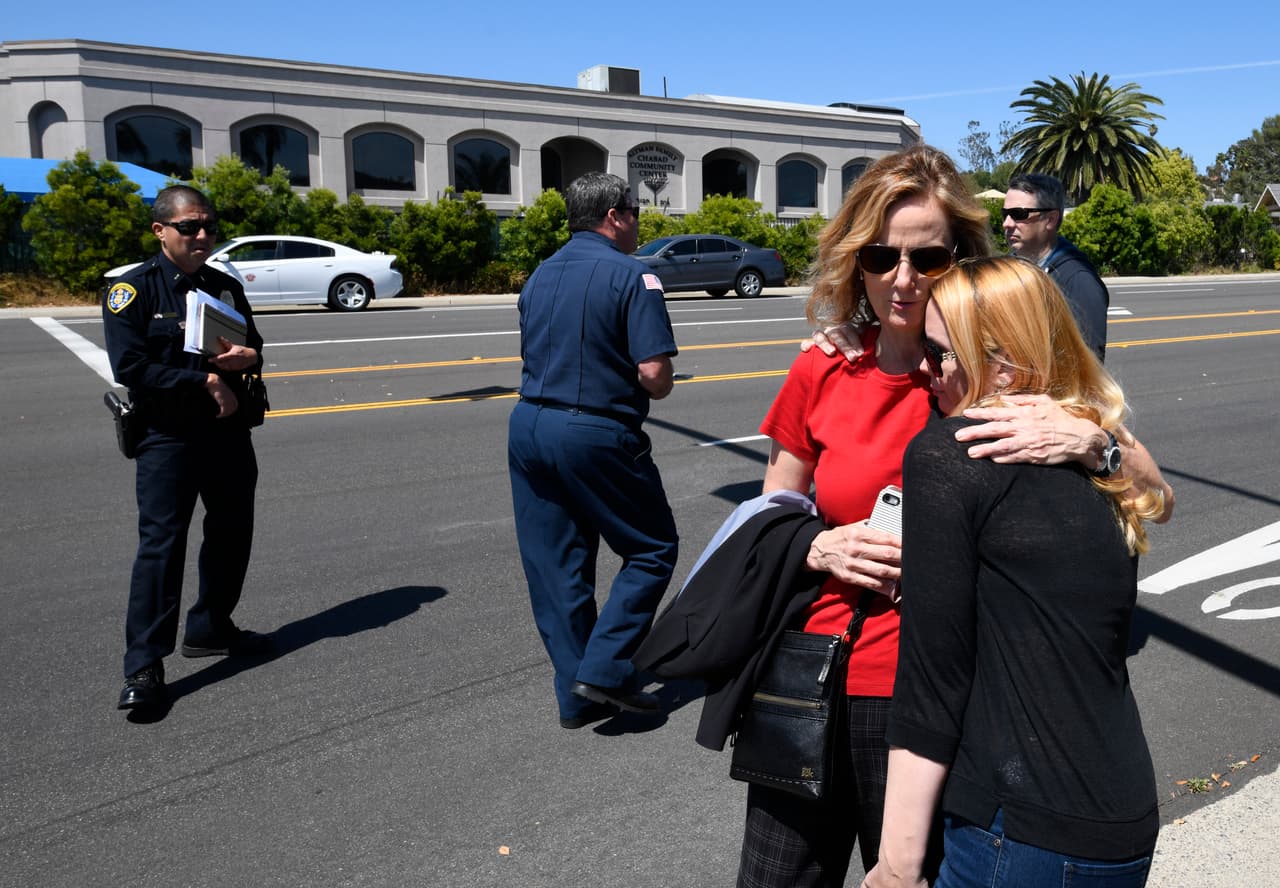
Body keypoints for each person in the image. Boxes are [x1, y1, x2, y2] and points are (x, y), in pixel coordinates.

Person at [738, 147, 1173, 888]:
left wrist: (1093, 441)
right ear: (857, 260)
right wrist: (819, 546)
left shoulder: (995, 378)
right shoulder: (825, 366)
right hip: (815, 670)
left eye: (928, 257)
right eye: (880, 256)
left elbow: (1152, 491)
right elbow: (769, 514)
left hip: (930, 709)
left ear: (960, 261)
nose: (902, 280)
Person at [864, 255, 1167, 888]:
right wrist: (1096, 441)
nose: (925, 369)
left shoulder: (953, 454)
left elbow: (932, 677)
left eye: (940, 353)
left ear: (1002, 364)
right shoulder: (1096, 450)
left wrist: (895, 865)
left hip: (1018, 831)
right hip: (1123, 814)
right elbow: (1161, 498)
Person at [507, 172, 679, 730]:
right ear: (614, 216)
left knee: (558, 566)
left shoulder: (540, 274)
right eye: (634, 210)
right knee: (652, 548)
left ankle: (577, 696)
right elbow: (654, 374)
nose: (637, 221)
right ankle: (605, 670)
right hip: (594, 430)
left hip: (529, 425)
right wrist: (658, 380)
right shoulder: (635, 276)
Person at [103, 184, 271, 713]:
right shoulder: (132, 291)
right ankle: (145, 666)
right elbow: (130, 368)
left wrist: (247, 358)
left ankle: (210, 628)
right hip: (166, 437)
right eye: (189, 227)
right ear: (160, 231)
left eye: (208, 227)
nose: (202, 236)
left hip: (226, 434)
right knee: (161, 547)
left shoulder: (224, 286)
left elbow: (254, 344)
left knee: (230, 531)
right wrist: (200, 382)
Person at [1002, 172, 1110, 360]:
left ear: (1050, 219)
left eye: (1019, 214)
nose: (1007, 223)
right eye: (1005, 214)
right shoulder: (1010, 268)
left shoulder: (1079, 282)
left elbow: (1088, 367)